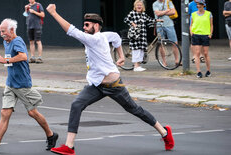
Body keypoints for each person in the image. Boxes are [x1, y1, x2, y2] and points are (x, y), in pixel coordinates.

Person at [46, 4, 175, 155]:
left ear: (96, 26)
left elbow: (70, 30)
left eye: (87, 25)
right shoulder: (103, 35)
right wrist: (120, 56)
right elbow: (116, 37)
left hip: (114, 85)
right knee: (76, 105)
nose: (84, 27)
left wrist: (54, 13)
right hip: (96, 85)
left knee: (134, 109)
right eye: (84, 25)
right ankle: (69, 146)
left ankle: (165, 133)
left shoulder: (95, 39)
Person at [0, 18, 58, 152]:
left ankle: (51, 135)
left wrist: (4, 60)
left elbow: (23, 57)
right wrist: (5, 60)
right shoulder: (6, 41)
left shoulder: (17, 41)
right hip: (10, 84)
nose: (1, 34)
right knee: (5, 112)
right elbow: (10, 60)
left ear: (12, 30)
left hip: (22, 84)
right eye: (0, 31)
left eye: (3, 31)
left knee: (32, 113)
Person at [124, 0, 163, 72]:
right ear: (135, 6)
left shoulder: (143, 14)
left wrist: (157, 20)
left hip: (142, 35)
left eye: (140, 5)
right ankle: (136, 66)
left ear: (143, 7)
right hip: (135, 35)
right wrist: (133, 24)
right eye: (137, 5)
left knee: (141, 50)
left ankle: (138, 65)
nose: (139, 6)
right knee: (136, 50)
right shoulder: (132, 13)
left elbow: (150, 19)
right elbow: (126, 19)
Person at [190, 0, 213, 78]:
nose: (198, 6)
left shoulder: (208, 14)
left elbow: (211, 24)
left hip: (205, 35)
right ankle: (198, 71)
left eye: (200, 4)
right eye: (197, 4)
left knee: (206, 53)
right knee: (197, 53)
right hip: (196, 35)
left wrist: (210, 33)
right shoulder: (193, 14)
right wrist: (191, 32)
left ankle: (208, 70)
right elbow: (191, 24)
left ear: (203, 5)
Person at [153, 0, 181, 66]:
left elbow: (173, 12)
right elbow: (157, 14)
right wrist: (167, 11)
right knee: (161, 44)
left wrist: (162, 12)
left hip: (169, 25)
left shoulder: (169, 2)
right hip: (159, 25)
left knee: (174, 42)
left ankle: (177, 60)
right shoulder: (155, 3)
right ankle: (164, 62)